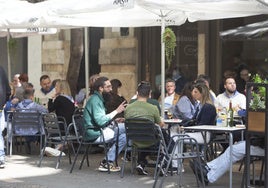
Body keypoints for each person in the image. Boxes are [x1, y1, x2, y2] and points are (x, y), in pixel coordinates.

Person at [83, 76, 127, 172]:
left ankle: (107, 161)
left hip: (97, 130)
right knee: (127, 128)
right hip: (95, 133)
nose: (111, 89)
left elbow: (100, 120)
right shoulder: (95, 100)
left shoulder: (98, 99)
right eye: (108, 87)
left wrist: (114, 121)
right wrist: (116, 111)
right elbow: (100, 121)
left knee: (124, 135)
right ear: (100, 88)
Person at [124, 81, 165, 175]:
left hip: (134, 141)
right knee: (164, 138)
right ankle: (161, 162)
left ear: (137, 93)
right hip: (151, 141)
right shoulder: (153, 108)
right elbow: (161, 124)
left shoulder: (128, 108)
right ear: (150, 94)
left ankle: (141, 163)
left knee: (143, 136)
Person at [190, 139, 264, 185]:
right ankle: (208, 167)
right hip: (260, 143)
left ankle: (209, 176)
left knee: (233, 150)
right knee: (233, 148)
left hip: (263, 146)